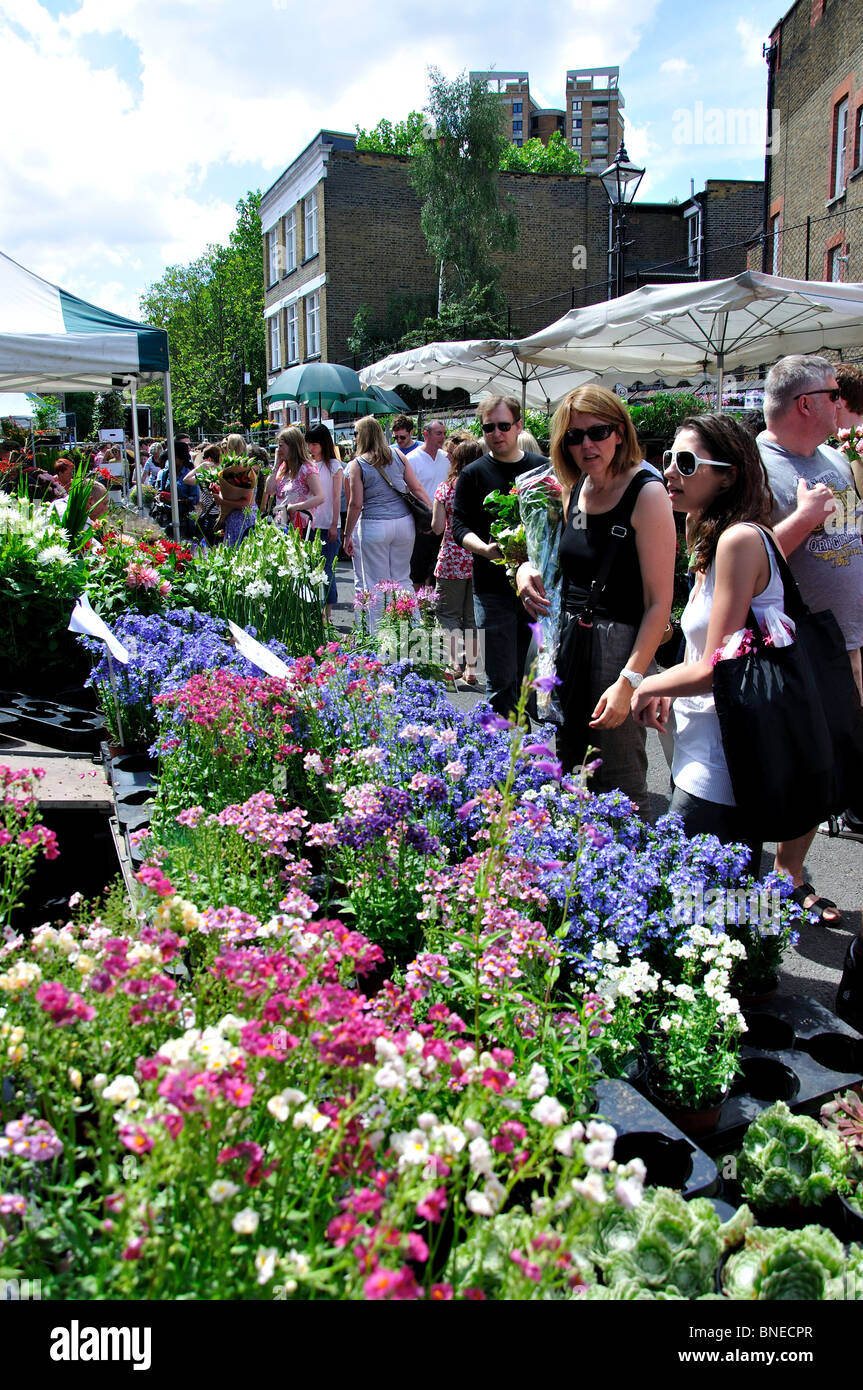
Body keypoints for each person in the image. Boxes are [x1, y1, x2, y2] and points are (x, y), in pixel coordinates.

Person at [630, 414, 782, 862]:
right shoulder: (711, 540)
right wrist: (673, 687)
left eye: (686, 461)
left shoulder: (740, 541)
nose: (670, 472)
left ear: (728, 476)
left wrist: (643, 683)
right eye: (667, 459)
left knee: (689, 896)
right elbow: (703, 650)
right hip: (701, 743)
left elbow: (721, 667)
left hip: (722, 757)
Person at [517, 385, 675, 811]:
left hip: (621, 649)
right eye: (574, 435)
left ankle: (630, 871)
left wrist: (630, 682)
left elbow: (660, 602)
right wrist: (524, 569)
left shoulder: (647, 493)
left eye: (598, 431)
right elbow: (558, 561)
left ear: (620, 432)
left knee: (619, 778)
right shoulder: (575, 489)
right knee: (570, 765)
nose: (586, 444)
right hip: (569, 640)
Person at [756, 353, 863, 917]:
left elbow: (848, 541)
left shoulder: (836, 463)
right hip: (792, 646)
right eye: (833, 392)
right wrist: (799, 520)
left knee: (829, 766)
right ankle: (754, 880)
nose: (840, 401)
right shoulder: (753, 465)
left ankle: (788, 872)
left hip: (848, 641)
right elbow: (736, 562)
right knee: (793, 763)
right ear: (806, 403)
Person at [452, 395, 548, 717]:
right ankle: (503, 754)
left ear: (518, 426)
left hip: (537, 590)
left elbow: (555, 522)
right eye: (489, 427)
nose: (496, 433)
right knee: (500, 678)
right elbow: (459, 525)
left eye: (504, 426)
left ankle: (525, 751)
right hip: (492, 588)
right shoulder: (473, 474)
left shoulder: (540, 469)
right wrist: (485, 550)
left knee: (532, 677)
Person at [342, 415, 431, 630]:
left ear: (361, 437)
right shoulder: (398, 455)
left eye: (355, 434)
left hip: (374, 525)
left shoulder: (357, 464)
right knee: (403, 578)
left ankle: (379, 635)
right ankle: (412, 628)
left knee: (376, 584)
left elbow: (356, 504)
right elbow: (417, 488)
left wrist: (347, 534)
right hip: (404, 524)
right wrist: (433, 514)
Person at [432, 436, 483, 685]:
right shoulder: (485, 488)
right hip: (479, 558)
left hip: (452, 557)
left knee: (448, 614)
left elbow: (438, 527)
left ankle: (455, 663)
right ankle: (472, 668)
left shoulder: (446, 489)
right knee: (472, 616)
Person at [306, 423, 344, 622]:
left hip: (328, 522)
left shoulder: (334, 465)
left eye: (314, 444)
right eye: (309, 444)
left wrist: (334, 524)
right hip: (310, 524)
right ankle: (315, 612)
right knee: (312, 569)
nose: (311, 448)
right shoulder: (309, 464)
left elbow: (336, 497)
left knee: (327, 569)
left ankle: (327, 613)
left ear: (323, 443)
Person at [408, 419, 449, 589]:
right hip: (421, 523)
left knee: (436, 567)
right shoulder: (412, 459)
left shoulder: (447, 458)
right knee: (418, 567)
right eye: (439, 433)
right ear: (426, 434)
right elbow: (408, 492)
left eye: (444, 433)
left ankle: (431, 605)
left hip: (443, 523)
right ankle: (418, 608)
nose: (443, 437)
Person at [262, 426, 325, 531]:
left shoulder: (306, 468)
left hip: (301, 527)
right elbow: (269, 490)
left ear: (292, 446)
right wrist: (276, 465)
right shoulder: (283, 468)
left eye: (281, 446)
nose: (278, 450)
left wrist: (296, 507)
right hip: (281, 525)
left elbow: (320, 497)